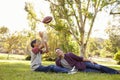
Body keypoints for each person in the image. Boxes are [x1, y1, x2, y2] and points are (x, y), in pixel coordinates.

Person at [55, 48, 120, 74]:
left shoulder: (69, 54)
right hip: (80, 69)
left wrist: (90, 60)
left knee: (98, 67)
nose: (58, 52)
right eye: (57, 52)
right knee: (97, 72)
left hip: (84, 64)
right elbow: (59, 68)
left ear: (62, 51)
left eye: (59, 51)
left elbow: (80, 58)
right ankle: (109, 72)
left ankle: (116, 72)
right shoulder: (58, 61)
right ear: (57, 54)